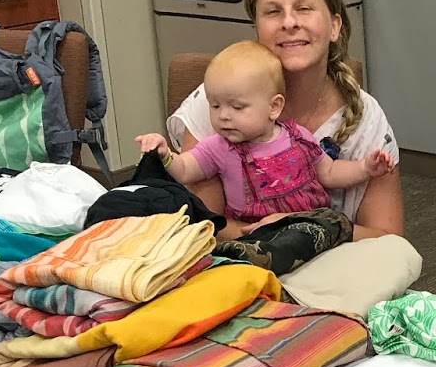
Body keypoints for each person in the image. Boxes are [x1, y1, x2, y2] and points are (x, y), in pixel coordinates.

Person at [167, 0, 404, 242]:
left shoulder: (366, 119)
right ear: (257, 27)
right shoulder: (219, 102)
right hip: (241, 258)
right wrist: (278, 235)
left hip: (338, 259)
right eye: (273, 11)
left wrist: (305, 227)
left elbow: (389, 240)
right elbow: (206, 227)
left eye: (304, 8)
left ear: (334, 26)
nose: (289, 22)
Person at [136, 43, 393, 247]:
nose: (223, 116)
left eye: (237, 107)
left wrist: (364, 168)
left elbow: (330, 172)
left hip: (312, 232)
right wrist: (165, 155)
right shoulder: (219, 147)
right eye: (215, 106)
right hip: (257, 240)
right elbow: (185, 169)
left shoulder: (298, 136)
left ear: (274, 107)